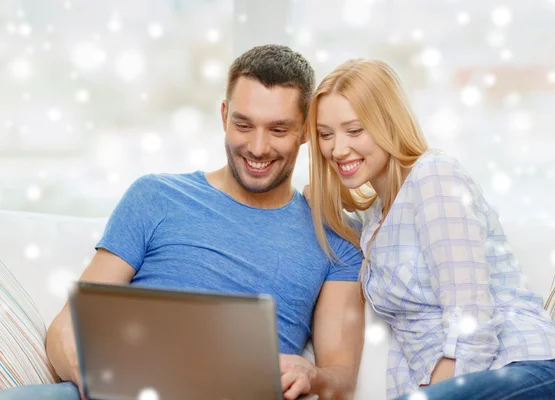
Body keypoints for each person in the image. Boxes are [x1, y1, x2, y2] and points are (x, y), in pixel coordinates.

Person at [3, 45, 365, 400]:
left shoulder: (334, 236)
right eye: (243, 124)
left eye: (278, 130)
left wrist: (311, 375)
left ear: (305, 131)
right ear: (224, 116)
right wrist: (91, 376)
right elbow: (65, 327)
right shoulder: (155, 196)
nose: (257, 147)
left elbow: (341, 379)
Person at [306, 58, 555, 400]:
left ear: (388, 124)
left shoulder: (434, 177)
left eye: (354, 130)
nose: (337, 148)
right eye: (325, 135)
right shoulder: (375, 223)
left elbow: (472, 323)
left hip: (528, 371)